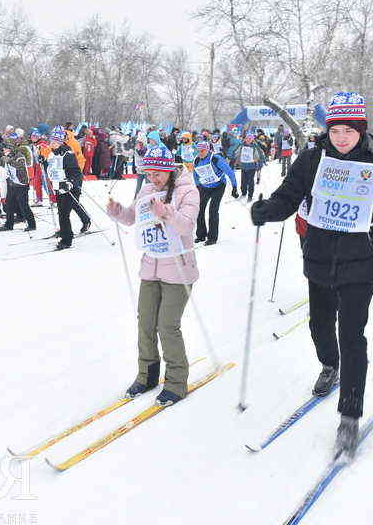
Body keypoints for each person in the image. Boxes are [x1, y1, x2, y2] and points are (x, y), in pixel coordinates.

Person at [250, 92, 373, 457]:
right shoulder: (314, 156)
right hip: (318, 256)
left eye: (349, 130)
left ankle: (349, 414)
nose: (342, 137)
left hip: (361, 260)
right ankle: (329, 366)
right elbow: (288, 196)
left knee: (352, 335)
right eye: (336, 130)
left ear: (361, 130)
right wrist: (266, 211)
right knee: (319, 326)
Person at [106, 145, 200, 406]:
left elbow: (187, 225)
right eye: (148, 173)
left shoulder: (187, 190)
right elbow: (131, 218)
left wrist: (167, 213)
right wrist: (117, 211)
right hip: (151, 265)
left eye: (157, 173)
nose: (152, 178)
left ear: (169, 168)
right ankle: (147, 374)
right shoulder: (147, 189)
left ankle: (176, 382)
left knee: (167, 325)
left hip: (179, 268)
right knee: (145, 323)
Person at [46, 126, 85, 250]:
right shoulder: (52, 154)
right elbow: (53, 170)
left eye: (56, 141)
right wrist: (44, 162)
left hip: (69, 189)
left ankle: (66, 239)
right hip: (58, 187)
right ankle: (64, 232)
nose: (53, 143)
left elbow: (76, 173)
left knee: (64, 214)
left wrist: (70, 182)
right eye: (52, 141)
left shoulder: (68, 154)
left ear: (62, 141)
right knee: (61, 212)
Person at [193, 141, 238, 246]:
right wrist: (197, 186)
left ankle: (212, 237)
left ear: (207, 150)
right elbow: (195, 175)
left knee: (213, 210)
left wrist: (234, 187)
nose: (200, 153)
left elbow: (229, 172)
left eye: (202, 151)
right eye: (198, 151)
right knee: (199, 210)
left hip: (218, 186)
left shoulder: (215, 159)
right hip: (205, 187)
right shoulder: (196, 160)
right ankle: (201, 235)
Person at [0, 130, 36, 231]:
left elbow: (20, 167)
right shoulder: (7, 157)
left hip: (22, 185)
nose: (4, 151)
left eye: (5, 149)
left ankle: (32, 224)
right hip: (12, 184)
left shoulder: (19, 156)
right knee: (9, 205)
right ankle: (8, 225)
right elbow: (0, 162)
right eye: (3, 149)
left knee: (24, 206)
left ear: (10, 149)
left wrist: (9, 161)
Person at [237, 134, 265, 200]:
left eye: (250, 139)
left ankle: (250, 195)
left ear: (252, 139)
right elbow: (237, 152)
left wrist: (261, 162)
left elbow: (261, 154)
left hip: (252, 166)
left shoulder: (255, 146)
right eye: (247, 138)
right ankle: (243, 193)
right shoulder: (242, 145)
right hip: (243, 166)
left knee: (250, 182)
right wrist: (234, 158)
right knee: (243, 181)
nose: (248, 140)